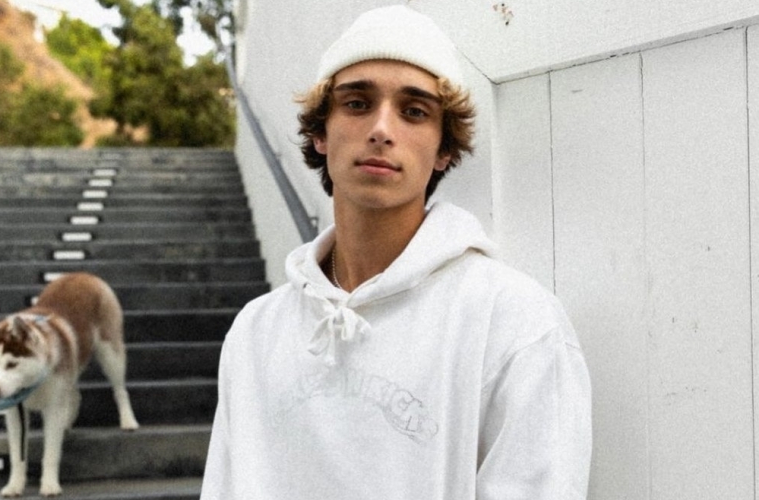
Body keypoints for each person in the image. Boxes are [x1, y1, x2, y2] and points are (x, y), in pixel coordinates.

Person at [201, 5, 592, 499]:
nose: (382, 129)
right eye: (357, 103)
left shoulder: (514, 322)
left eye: (414, 111)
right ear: (320, 132)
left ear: (444, 149)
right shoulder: (257, 332)